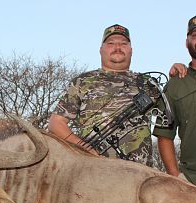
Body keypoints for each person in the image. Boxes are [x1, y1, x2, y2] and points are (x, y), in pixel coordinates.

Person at [48, 24, 164, 166]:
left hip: (140, 176)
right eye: (111, 43)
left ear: (131, 50)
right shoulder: (83, 81)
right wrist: (84, 147)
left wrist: (177, 70)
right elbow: (56, 123)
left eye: (123, 43)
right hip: (93, 171)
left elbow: (167, 127)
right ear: (101, 50)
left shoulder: (149, 84)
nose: (117, 47)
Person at [153, 14, 196, 196]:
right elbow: (164, 134)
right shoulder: (176, 84)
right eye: (195, 34)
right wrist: (176, 177)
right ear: (187, 42)